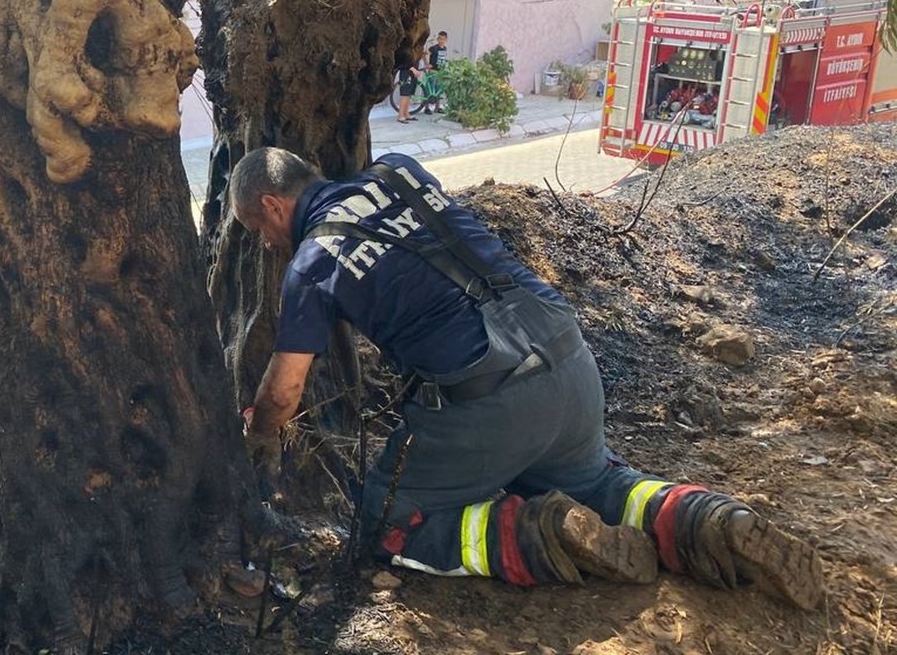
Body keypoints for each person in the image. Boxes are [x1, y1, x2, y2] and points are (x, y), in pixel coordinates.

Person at [232, 147, 824, 609]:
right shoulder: (400, 172)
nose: (265, 242)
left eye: (257, 228)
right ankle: (708, 520)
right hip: (568, 362)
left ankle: (544, 536)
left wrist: (258, 437)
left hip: (485, 402)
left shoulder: (314, 262)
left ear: (273, 206)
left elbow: (285, 391)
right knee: (601, 482)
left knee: (386, 522)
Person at [417, 31, 448, 115]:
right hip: (432, 71)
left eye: (443, 39)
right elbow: (423, 54)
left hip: (440, 72)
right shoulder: (434, 48)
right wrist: (426, 64)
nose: (441, 41)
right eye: (440, 39)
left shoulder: (445, 48)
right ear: (438, 39)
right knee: (429, 90)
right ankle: (426, 107)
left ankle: (437, 108)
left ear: (446, 40)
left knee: (438, 90)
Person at [390, 56, 420, 123]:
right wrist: (413, 69)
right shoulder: (406, 50)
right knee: (404, 94)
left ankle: (406, 113)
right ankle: (400, 115)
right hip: (406, 72)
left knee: (409, 94)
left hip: (413, 73)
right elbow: (402, 62)